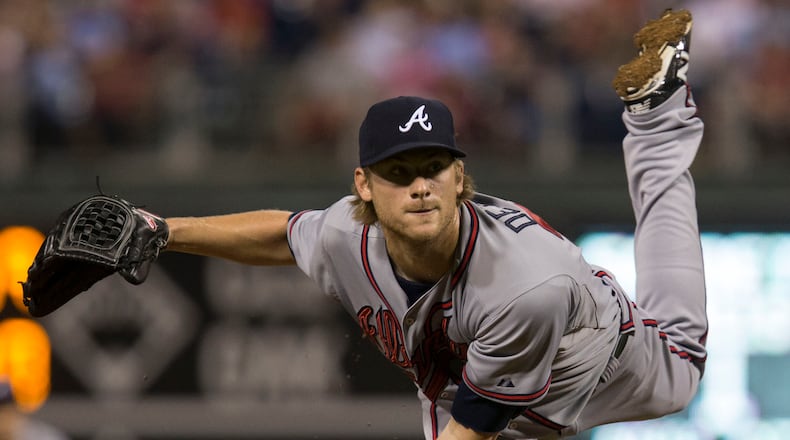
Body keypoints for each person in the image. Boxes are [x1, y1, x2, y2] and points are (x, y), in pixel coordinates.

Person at [164, 9, 707, 440]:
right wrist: (162, 231)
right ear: (364, 186)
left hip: (602, 362)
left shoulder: (526, 290)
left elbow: (473, 430)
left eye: (432, 168)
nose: (419, 186)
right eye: (398, 173)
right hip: (475, 379)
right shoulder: (344, 236)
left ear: (459, 175)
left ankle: (658, 119)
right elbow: (281, 234)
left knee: (681, 367)